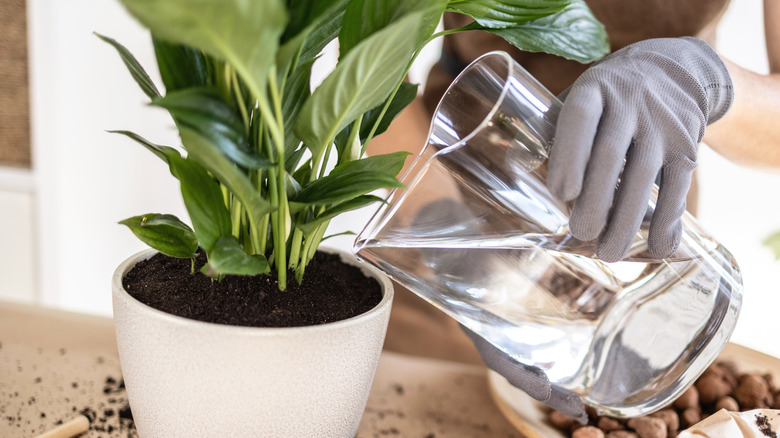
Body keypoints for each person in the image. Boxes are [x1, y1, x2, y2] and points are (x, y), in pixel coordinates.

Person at [367, 0, 780, 393]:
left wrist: (703, 80)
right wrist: (447, 237)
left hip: (638, 218)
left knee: (631, 375)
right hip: (458, 181)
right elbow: (365, 57)